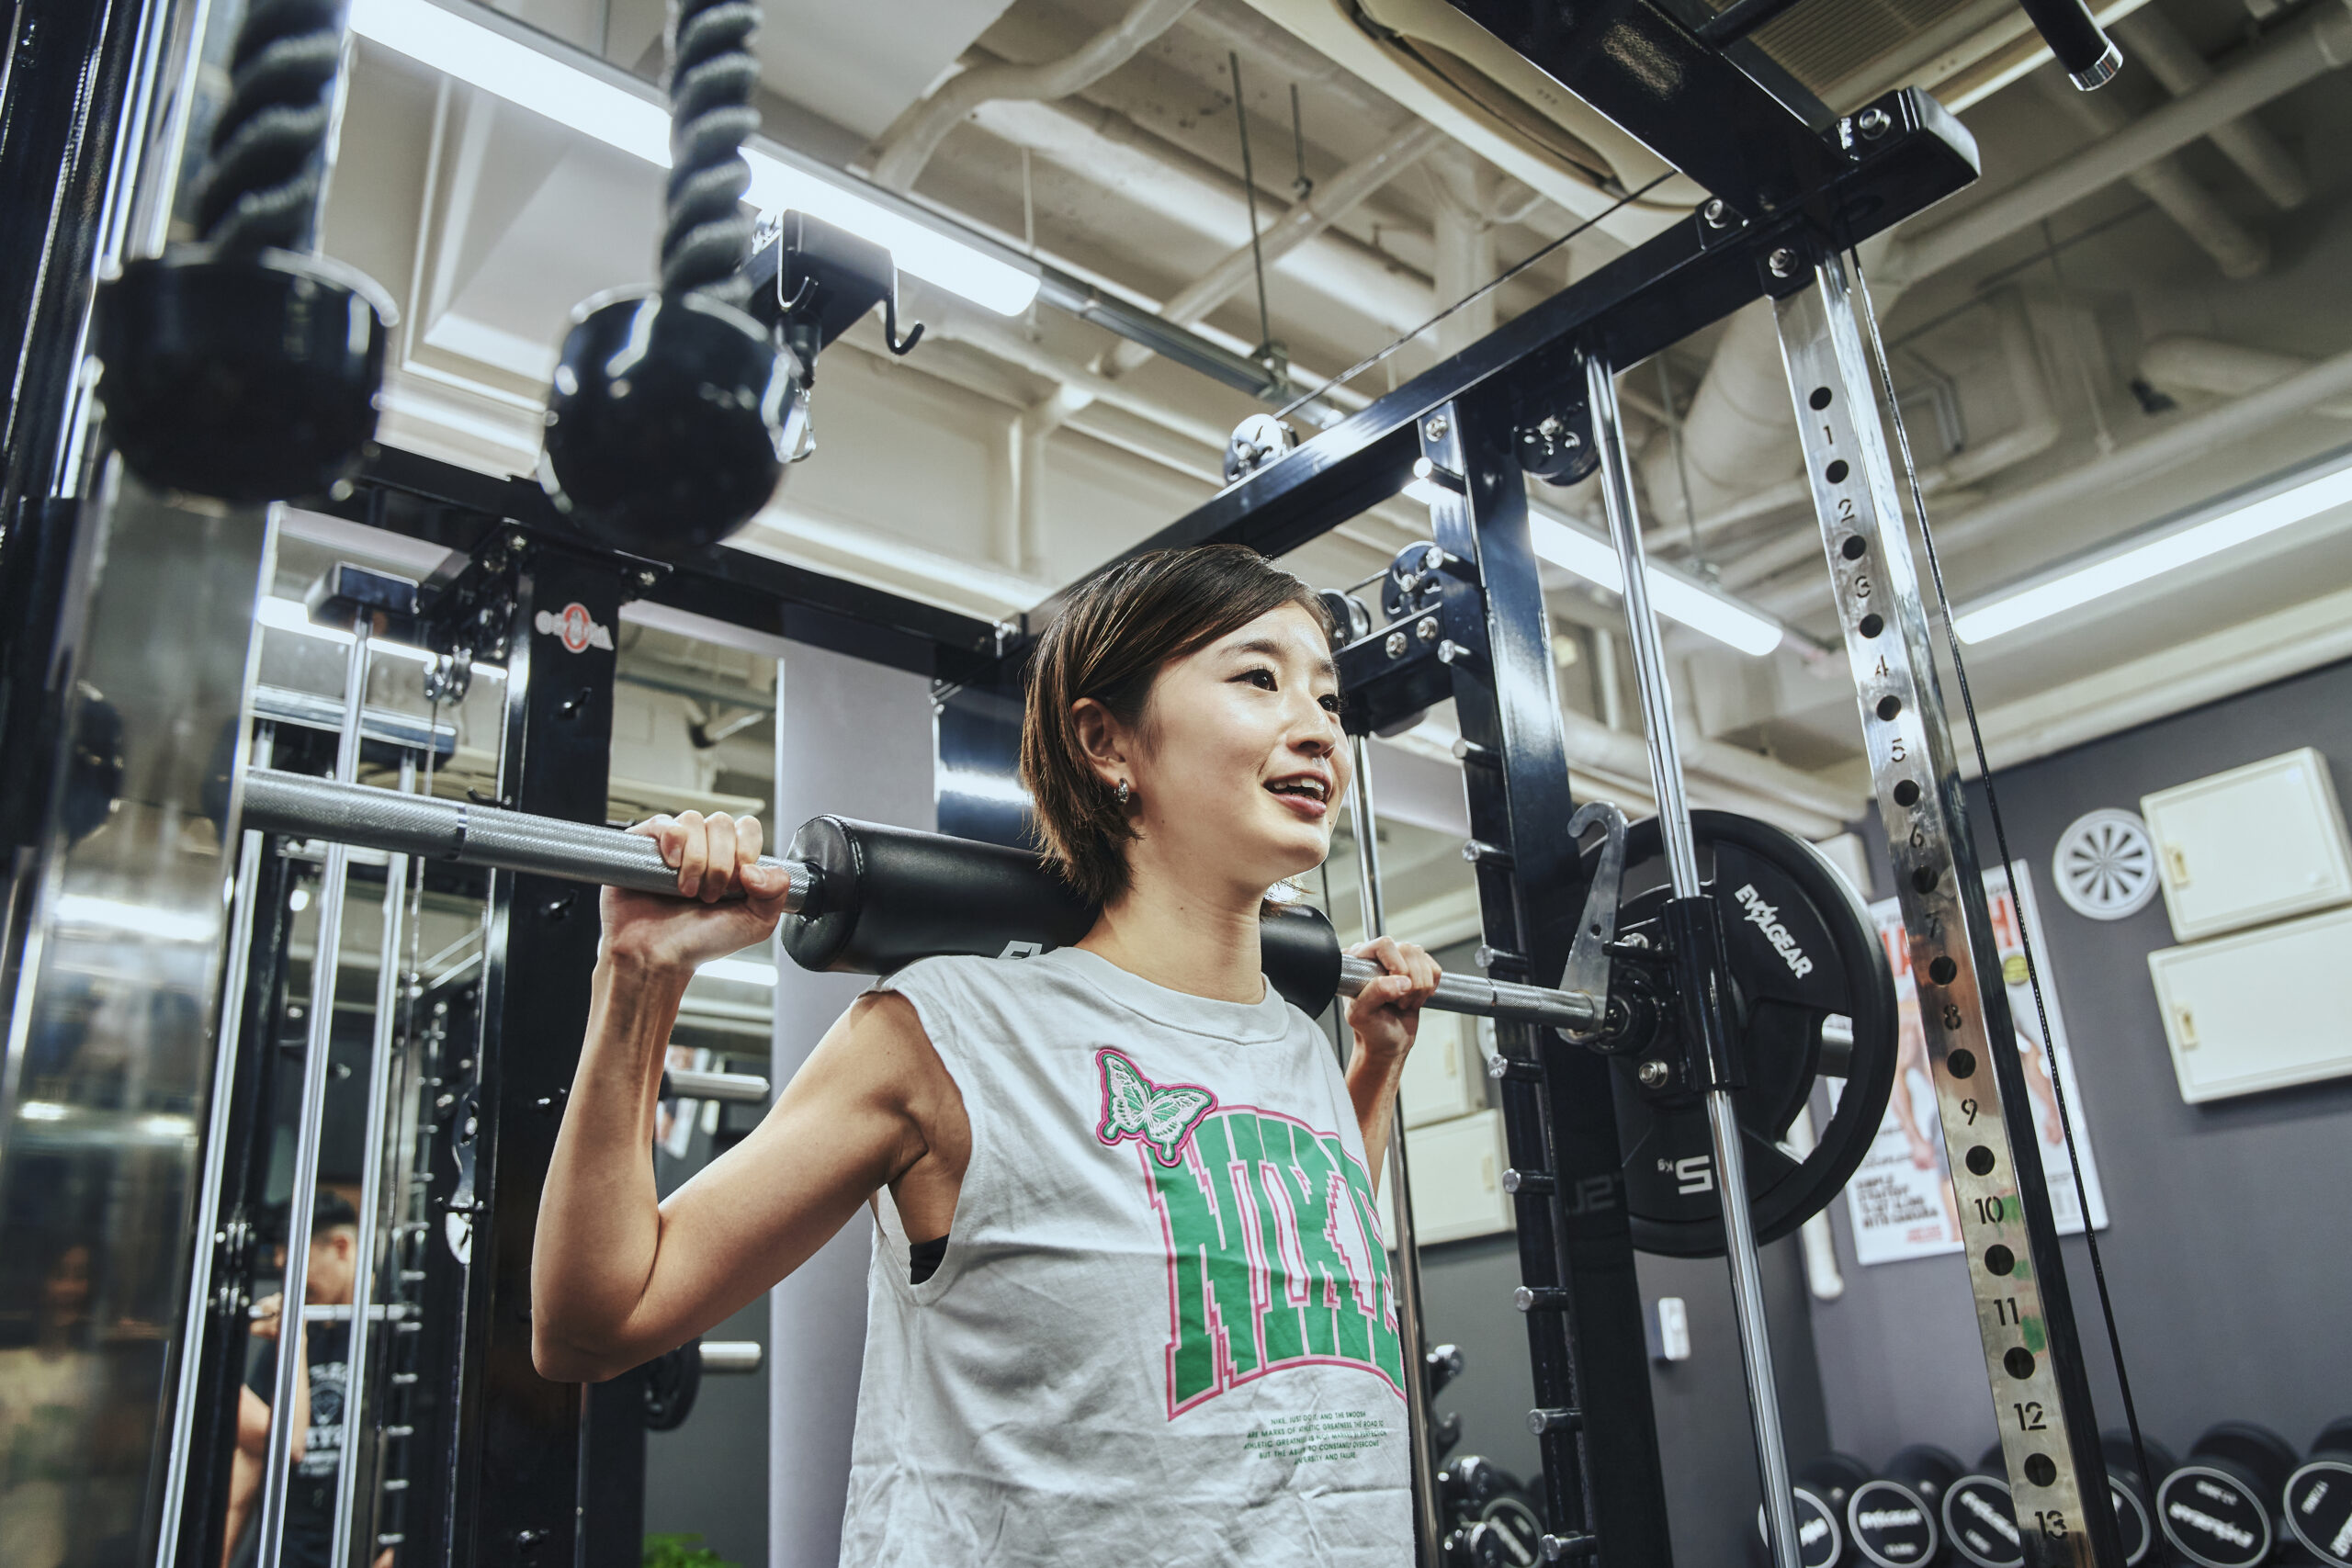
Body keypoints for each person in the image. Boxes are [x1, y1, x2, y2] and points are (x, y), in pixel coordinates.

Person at [535, 544, 1442, 1565]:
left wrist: (1373, 1070)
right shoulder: (949, 1035)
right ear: (1107, 742)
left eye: (1328, 696)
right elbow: (593, 1325)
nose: (1317, 726)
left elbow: (1290, 1285)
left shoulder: (1299, 1042)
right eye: (1258, 677)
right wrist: (640, 978)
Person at [221, 1190, 380, 1568]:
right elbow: (253, 1458)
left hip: (355, 1551)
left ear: (341, 1247)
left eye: (299, 1274)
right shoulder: (293, 1335)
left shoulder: (392, 1331)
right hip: (286, 1554)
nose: (293, 1292)